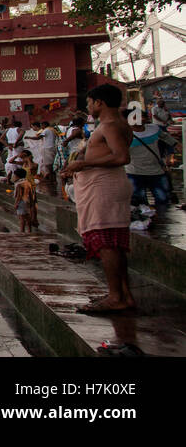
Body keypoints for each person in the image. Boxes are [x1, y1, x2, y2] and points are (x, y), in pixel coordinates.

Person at [61, 84, 134, 314]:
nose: (88, 107)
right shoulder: (113, 124)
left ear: (99, 102)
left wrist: (84, 163)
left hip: (105, 188)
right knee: (112, 244)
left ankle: (116, 297)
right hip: (105, 187)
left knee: (106, 245)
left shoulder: (111, 125)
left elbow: (122, 156)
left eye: (89, 102)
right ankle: (123, 294)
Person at [126, 119, 178, 229]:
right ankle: (146, 222)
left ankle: (162, 223)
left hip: (156, 172)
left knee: (163, 199)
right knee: (139, 201)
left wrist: (172, 152)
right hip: (134, 172)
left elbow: (170, 141)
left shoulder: (154, 129)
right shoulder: (123, 134)